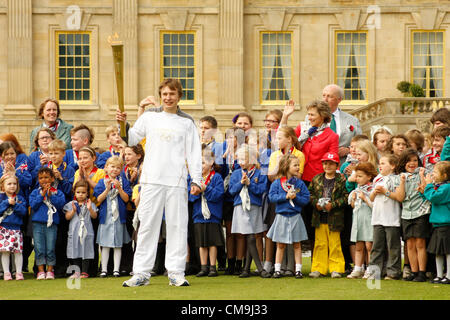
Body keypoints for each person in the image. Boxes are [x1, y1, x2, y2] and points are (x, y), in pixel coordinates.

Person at [118, 78, 202, 287]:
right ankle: (141, 273)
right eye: (164, 94)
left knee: (177, 226)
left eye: (172, 94)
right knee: (147, 226)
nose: (168, 98)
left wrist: (197, 179)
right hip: (152, 179)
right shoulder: (149, 117)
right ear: (160, 95)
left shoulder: (187, 122)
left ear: (179, 96)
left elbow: (194, 153)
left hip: (177, 180)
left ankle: (175, 272)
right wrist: (122, 124)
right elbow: (131, 139)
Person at [284, 84, 362, 164]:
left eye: (329, 96)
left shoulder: (352, 120)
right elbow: (289, 137)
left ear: (339, 99)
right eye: (324, 95)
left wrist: (349, 149)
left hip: (343, 165)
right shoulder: (310, 118)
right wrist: (285, 116)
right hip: (315, 165)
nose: (325, 99)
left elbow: (362, 143)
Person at [228, 145, 270, 278]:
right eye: (239, 159)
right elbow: (231, 191)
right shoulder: (235, 173)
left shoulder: (259, 172)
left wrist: (250, 183)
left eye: (243, 159)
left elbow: (261, 190)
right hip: (241, 207)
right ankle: (260, 268)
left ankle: (246, 269)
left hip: (254, 207)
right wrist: (241, 183)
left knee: (251, 236)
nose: (240, 162)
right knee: (250, 236)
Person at [267, 154, 310, 279]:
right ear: (286, 166)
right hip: (282, 216)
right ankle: (277, 270)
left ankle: (298, 270)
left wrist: (296, 198)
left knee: (297, 245)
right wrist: (285, 197)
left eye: (298, 165)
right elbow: (272, 197)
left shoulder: (300, 184)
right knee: (280, 245)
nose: (298, 167)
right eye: (295, 165)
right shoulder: (276, 183)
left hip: (295, 216)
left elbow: (306, 199)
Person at [308, 152, 348, 278]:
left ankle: (336, 268)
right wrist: (316, 204)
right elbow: (310, 195)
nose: (327, 166)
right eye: (325, 163)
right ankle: (318, 268)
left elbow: (347, 197)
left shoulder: (341, 180)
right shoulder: (317, 179)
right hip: (319, 217)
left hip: (335, 218)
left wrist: (334, 204)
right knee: (320, 243)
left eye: (331, 164)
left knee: (335, 244)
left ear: (337, 165)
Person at [394, 149, 431, 282]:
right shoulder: (400, 177)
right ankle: (413, 271)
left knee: (420, 243)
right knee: (410, 244)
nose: (412, 163)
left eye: (415, 160)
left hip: (421, 212)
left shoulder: (424, 172)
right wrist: (402, 182)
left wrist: (422, 177)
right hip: (406, 214)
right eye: (409, 160)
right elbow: (400, 197)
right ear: (404, 162)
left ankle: (422, 272)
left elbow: (428, 190)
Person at [188, 147, 225, 277]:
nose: (200, 166)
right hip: (199, 215)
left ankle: (212, 267)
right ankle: (203, 267)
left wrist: (206, 189)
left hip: (212, 215)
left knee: (212, 242)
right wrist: (197, 192)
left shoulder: (217, 177)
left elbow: (219, 195)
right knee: (201, 242)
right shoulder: (194, 179)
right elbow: (190, 196)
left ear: (211, 163)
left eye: (203, 163)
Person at [94, 156, 132, 278]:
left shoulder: (123, 181)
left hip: (119, 218)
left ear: (121, 169)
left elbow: (126, 199)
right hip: (106, 217)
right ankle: (104, 269)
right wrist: (107, 189)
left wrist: (119, 188)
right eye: (112, 167)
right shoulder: (101, 182)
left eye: (117, 167)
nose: (114, 169)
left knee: (118, 244)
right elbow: (98, 200)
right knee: (105, 244)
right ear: (106, 168)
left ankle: (116, 269)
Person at [367, 154, 402, 280]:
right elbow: (371, 198)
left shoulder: (396, 179)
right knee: (377, 246)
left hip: (391, 218)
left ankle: (393, 272)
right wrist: (375, 192)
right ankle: (375, 272)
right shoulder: (377, 178)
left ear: (392, 166)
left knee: (393, 246)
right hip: (377, 218)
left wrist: (385, 192)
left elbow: (398, 196)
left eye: (383, 163)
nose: (380, 166)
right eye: (379, 163)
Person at [29, 167, 66, 280]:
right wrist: (42, 195)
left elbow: (61, 206)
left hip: (52, 224)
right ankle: (41, 271)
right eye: (41, 178)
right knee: (39, 248)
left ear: (52, 179)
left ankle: (50, 270)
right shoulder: (35, 192)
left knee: (50, 248)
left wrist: (51, 195)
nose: (44, 180)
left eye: (46, 177)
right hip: (38, 224)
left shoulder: (57, 192)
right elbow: (33, 205)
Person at [347, 163, 377, 279]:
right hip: (358, 219)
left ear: (369, 176)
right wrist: (354, 200)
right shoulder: (357, 189)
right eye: (357, 176)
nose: (357, 179)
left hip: (368, 219)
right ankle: (358, 268)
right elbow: (354, 206)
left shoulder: (372, 188)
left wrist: (365, 198)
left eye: (360, 176)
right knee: (358, 245)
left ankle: (370, 269)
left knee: (369, 245)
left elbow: (374, 206)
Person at [422, 161, 450, 284]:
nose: (432, 174)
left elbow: (435, 197)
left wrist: (427, 186)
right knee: (438, 251)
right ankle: (439, 275)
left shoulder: (447, 188)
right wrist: (422, 193)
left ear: (444, 176)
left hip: (445, 224)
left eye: (435, 172)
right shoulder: (439, 187)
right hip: (437, 224)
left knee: (447, 252)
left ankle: (448, 275)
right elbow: (431, 198)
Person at [64, 180, 98, 279]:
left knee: (86, 250)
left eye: (83, 192)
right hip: (74, 231)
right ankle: (76, 271)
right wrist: (73, 211)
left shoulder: (89, 203)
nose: (81, 195)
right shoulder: (71, 204)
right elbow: (67, 217)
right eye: (78, 192)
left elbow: (94, 216)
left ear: (87, 193)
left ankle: (85, 272)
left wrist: (90, 209)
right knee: (75, 249)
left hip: (86, 231)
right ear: (74, 192)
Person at [0, 175, 27, 281]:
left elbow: (24, 212)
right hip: (4, 229)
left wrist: (15, 204)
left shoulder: (20, 199)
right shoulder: (2, 198)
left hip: (16, 229)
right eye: (9, 184)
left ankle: (19, 273)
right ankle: (7, 273)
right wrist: (7, 202)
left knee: (18, 252)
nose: (12, 186)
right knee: (5, 252)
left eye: (14, 184)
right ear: (3, 186)